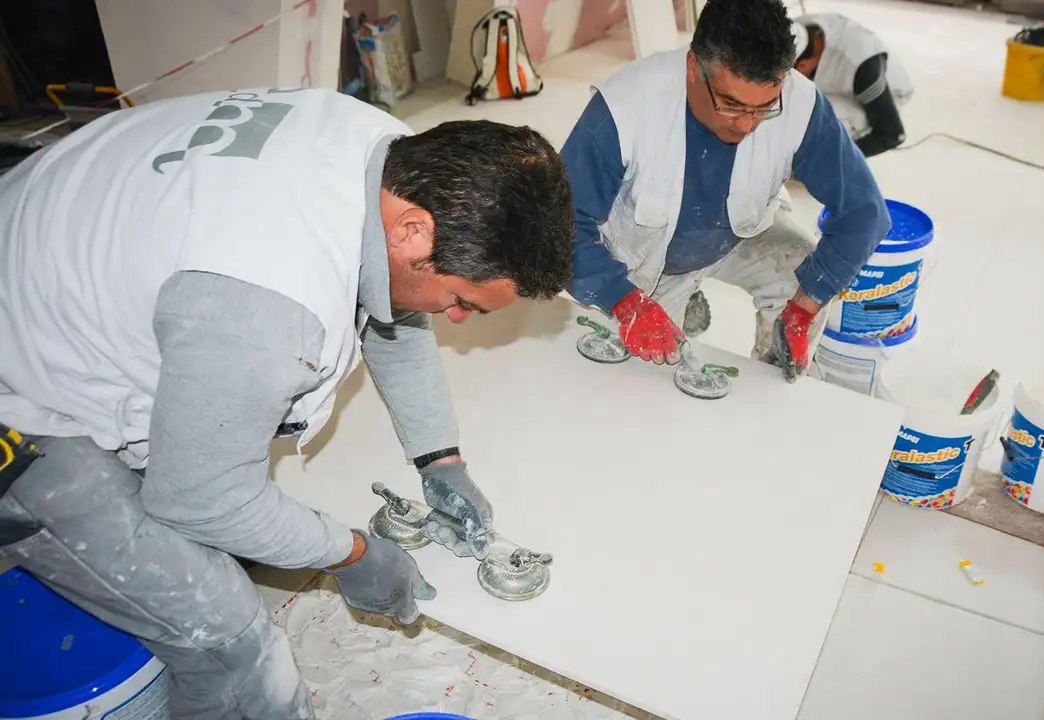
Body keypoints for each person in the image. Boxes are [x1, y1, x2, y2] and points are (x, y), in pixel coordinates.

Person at [0, 88, 574, 718]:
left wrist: (439, 459)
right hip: (18, 394)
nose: (459, 319)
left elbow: (392, 307)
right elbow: (199, 498)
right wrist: (351, 554)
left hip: (44, 252)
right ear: (414, 229)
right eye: (463, 298)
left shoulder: (383, 152)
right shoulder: (265, 307)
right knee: (231, 641)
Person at [560, 0, 889, 380]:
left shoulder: (800, 103)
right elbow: (563, 224)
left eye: (764, 107)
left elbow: (865, 212)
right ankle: (681, 294)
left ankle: (771, 389)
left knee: (798, 265)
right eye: (731, 104)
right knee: (646, 380)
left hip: (740, 231)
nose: (748, 126)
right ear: (692, 68)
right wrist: (623, 300)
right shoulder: (625, 106)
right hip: (644, 258)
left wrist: (805, 305)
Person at [793, 13, 914, 159]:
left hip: (882, 94)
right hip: (833, 78)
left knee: (819, 127)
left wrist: (828, 159)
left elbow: (892, 133)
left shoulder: (861, 66)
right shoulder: (797, 28)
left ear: (802, 65)